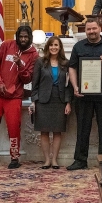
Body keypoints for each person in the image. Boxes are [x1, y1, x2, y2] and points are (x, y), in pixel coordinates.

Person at [67, 18, 102, 170]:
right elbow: (72, 67)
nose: (91, 32)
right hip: (83, 95)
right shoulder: (78, 46)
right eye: (88, 29)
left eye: (94, 28)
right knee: (82, 127)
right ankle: (80, 160)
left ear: (100, 28)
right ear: (85, 31)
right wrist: (75, 86)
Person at [0, 26, 38, 169]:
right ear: (17, 37)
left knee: (14, 127)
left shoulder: (34, 54)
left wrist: (20, 64)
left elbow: (27, 79)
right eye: (21, 37)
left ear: (30, 38)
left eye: (26, 37)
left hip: (14, 97)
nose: (23, 39)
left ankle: (14, 158)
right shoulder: (7, 45)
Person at [30, 36, 73, 169]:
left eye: (56, 45)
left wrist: (68, 102)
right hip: (43, 100)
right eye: (51, 45)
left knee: (57, 131)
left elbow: (69, 85)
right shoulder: (40, 62)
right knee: (44, 131)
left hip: (59, 100)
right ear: (47, 47)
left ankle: (54, 160)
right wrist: (33, 101)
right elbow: (34, 83)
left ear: (60, 47)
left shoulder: (66, 63)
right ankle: (46, 160)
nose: (54, 47)